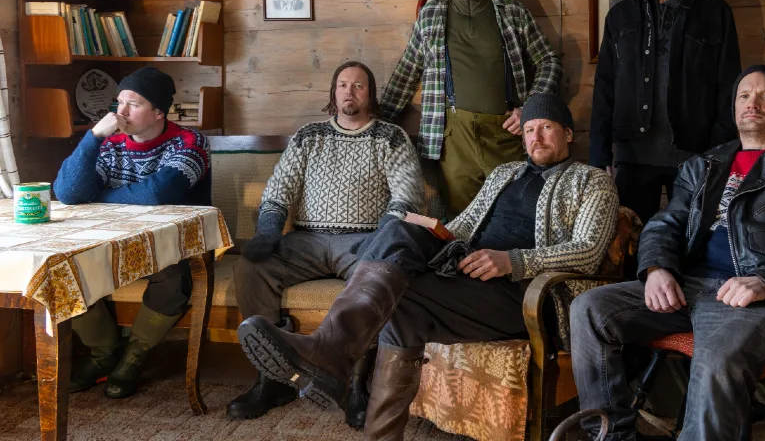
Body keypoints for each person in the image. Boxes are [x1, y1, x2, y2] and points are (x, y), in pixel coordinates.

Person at [236, 92, 619, 440]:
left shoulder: (591, 182)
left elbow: (588, 251)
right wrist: (426, 230)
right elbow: (462, 227)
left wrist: (513, 261)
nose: (536, 137)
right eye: (530, 129)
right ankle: (353, 388)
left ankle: (332, 354)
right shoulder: (506, 174)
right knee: (398, 233)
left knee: (399, 293)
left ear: (568, 134)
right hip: (468, 276)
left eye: (546, 128)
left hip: (524, 293)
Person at [571, 64, 765, 441]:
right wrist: (657, 268)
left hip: (750, 298)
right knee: (589, 309)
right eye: (744, 96)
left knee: (717, 359)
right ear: (733, 107)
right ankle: (611, 435)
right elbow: (667, 223)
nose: (753, 103)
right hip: (686, 286)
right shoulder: (704, 165)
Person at [226, 61, 424, 427]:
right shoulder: (309, 135)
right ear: (333, 92)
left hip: (364, 241)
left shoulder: (391, 137)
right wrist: (268, 230)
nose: (350, 91)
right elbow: (280, 188)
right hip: (307, 239)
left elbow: (407, 197)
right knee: (251, 266)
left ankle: (355, 385)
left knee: (383, 278)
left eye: (359, 85)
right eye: (343, 84)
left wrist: (380, 239)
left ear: (370, 94)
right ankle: (273, 379)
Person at [53, 67, 211, 399]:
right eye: (119, 102)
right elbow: (68, 193)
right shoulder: (109, 143)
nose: (120, 112)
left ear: (158, 112)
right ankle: (103, 353)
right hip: (113, 243)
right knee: (64, 268)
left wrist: (96, 198)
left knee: (173, 279)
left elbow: (157, 194)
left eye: (133, 104)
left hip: (174, 245)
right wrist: (93, 137)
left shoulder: (190, 141)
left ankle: (134, 354)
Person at [380, 0, 563, 218]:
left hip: (506, 134)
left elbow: (549, 61)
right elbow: (406, 74)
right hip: (452, 139)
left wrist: (530, 109)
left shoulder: (513, 12)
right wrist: (379, 125)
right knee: (460, 222)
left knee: (513, 216)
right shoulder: (430, 15)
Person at [590, 0, 742, 227]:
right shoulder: (620, 15)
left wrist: (718, 149)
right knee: (632, 241)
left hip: (694, 155)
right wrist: (599, 155)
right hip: (633, 153)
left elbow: (729, 84)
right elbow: (605, 86)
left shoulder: (715, 14)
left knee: (691, 240)